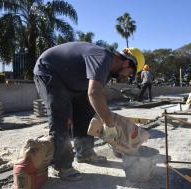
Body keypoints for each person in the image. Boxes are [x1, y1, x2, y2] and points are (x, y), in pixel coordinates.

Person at [33, 42, 145, 181]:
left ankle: (84, 153)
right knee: (62, 117)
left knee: (85, 111)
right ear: (127, 64)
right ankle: (62, 166)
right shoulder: (102, 57)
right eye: (131, 74)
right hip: (50, 71)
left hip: (71, 81)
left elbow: (91, 96)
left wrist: (109, 128)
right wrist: (109, 125)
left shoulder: (109, 72)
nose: (128, 77)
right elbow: (94, 93)